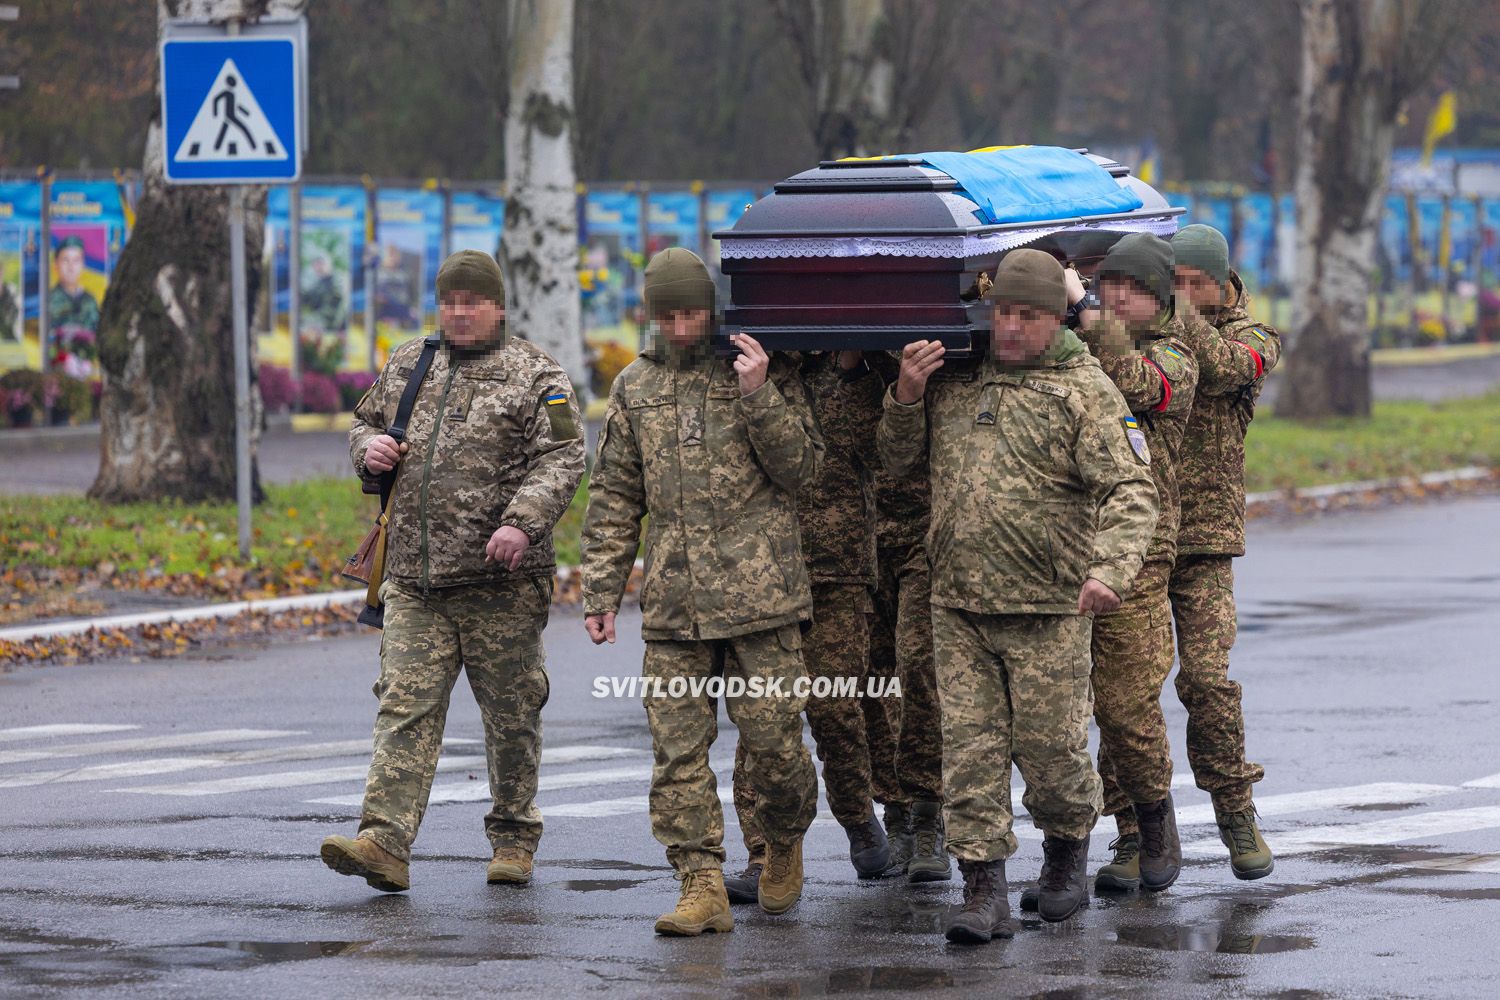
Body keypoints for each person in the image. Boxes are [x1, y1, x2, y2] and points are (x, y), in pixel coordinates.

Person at [878, 249, 1158, 944]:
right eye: (1002, 311)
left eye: (1027, 315)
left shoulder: (1084, 389)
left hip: (1049, 606)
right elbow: (896, 463)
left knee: (1053, 753)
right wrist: (906, 397)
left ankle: (1065, 859)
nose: (1010, 327)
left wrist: (1110, 571)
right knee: (967, 754)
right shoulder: (957, 378)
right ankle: (982, 890)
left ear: (1056, 315)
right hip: (960, 604)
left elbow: (1131, 490)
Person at [320, 250, 585, 894]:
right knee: (403, 706)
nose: (459, 312)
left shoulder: (534, 375)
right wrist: (369, 450)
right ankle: (384, 841)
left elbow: (565, 453)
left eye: (472, 301)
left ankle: (514, 836)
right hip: (414, 579)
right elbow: (364, 423)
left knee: (512, 714)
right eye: (449, 301)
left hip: (501, 584)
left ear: (497, 306)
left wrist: (521, 523)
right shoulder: (411, 362)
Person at [580, 248, 823, 936]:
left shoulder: (756, 365)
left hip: (762, 601)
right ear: (650, 315)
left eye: (692, 312)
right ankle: (700, 883)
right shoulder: (635, 386)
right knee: (677, 754)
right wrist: (601, 590)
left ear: (712, 309)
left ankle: (782, 841)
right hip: (675, 606)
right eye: (667, 314)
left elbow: (803, 468)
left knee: (776, 748)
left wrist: (759, 394)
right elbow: (616, 494)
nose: (681, 326)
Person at [727, 347, 888, 902]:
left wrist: (853, 366)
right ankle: (763, 851)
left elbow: (884, 450)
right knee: (761, 720)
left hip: (836, 567)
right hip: (763, 572)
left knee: (836, 707)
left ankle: (857, 814)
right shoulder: (750, 373)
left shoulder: (860, 372)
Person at [1074, 233, 1200, 893]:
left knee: (1125, 703)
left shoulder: (1174, 356)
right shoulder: (1076, 346)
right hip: (1068, 551)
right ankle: (1123, 835)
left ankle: (1156, 824)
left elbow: (1133, 385)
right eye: (1109, 283)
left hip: (1141, 556)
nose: (1118, 297)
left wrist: (1091, 315)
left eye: (1133, 288)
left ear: (1160, 297)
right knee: (1078, 707)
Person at [1169, 223, 1282, 880]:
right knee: (1122, 696)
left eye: (1195, 284)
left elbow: (1221, 369)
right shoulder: (1146, 337)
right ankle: (1134, 831)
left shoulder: (1254, 339)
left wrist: (1170, 311)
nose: (1183, 295)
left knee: (1207, 681)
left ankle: (1236, 813)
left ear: (1221, 282)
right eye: (1173, 282)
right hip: (1139, 541)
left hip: (1206, 544)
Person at [862, 350, 949, 884]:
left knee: (919, 670)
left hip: (926, 531)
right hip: (858, 533)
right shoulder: (843, 363)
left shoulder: (941, 351)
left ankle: (926, 813)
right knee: (869, 679)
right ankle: (892, 809)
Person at [48, 236, 100, 376]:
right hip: (56, 371)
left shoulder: (90, 300)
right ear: (56, 264)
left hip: (88, 370)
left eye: (76, 261)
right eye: (65, 260)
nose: (71, 267)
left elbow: (98, 332)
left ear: (83, 265)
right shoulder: (48, 299)